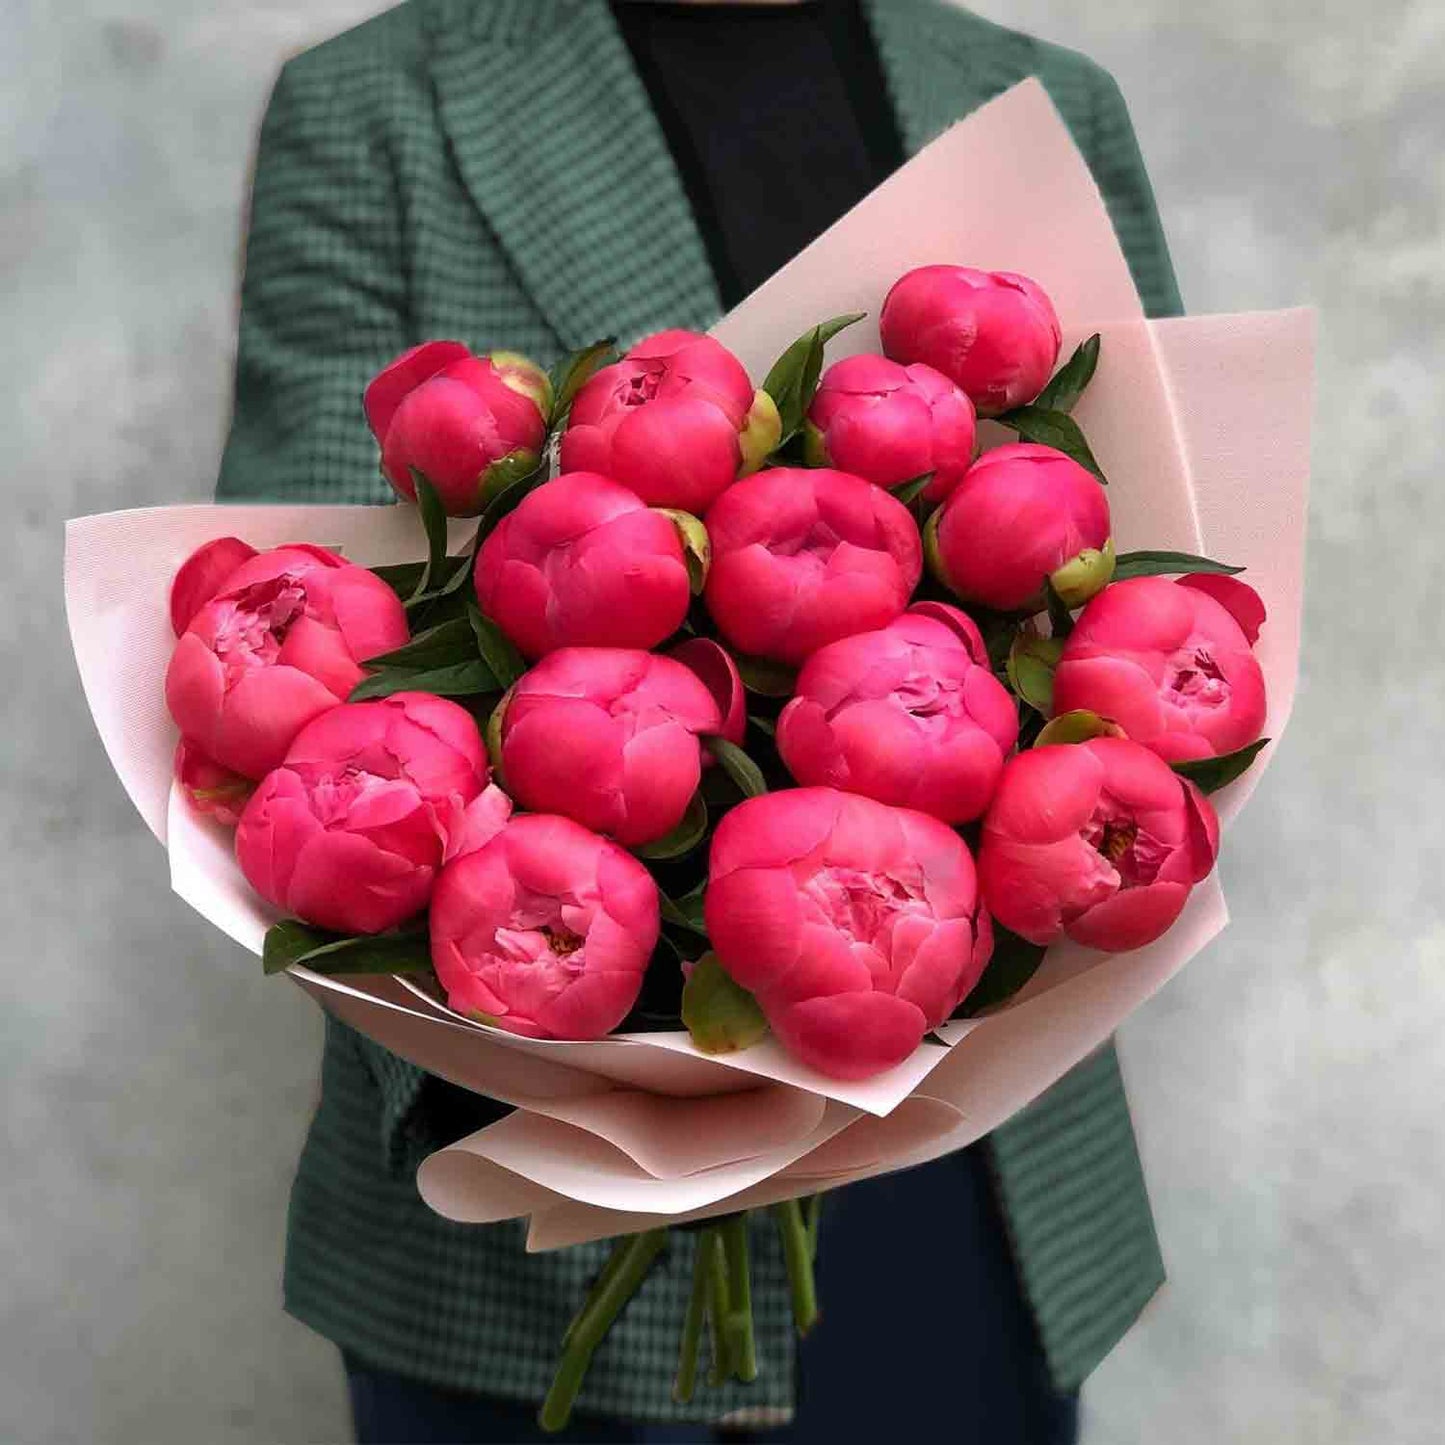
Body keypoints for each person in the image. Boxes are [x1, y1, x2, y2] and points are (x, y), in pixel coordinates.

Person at [218, 2, 1183, 1440]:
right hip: (530, 1186)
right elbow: (299, 675)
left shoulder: (1038, 100)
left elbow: (1157, 600)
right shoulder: (380, 107)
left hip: (968, 1176)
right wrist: (588, 1053)